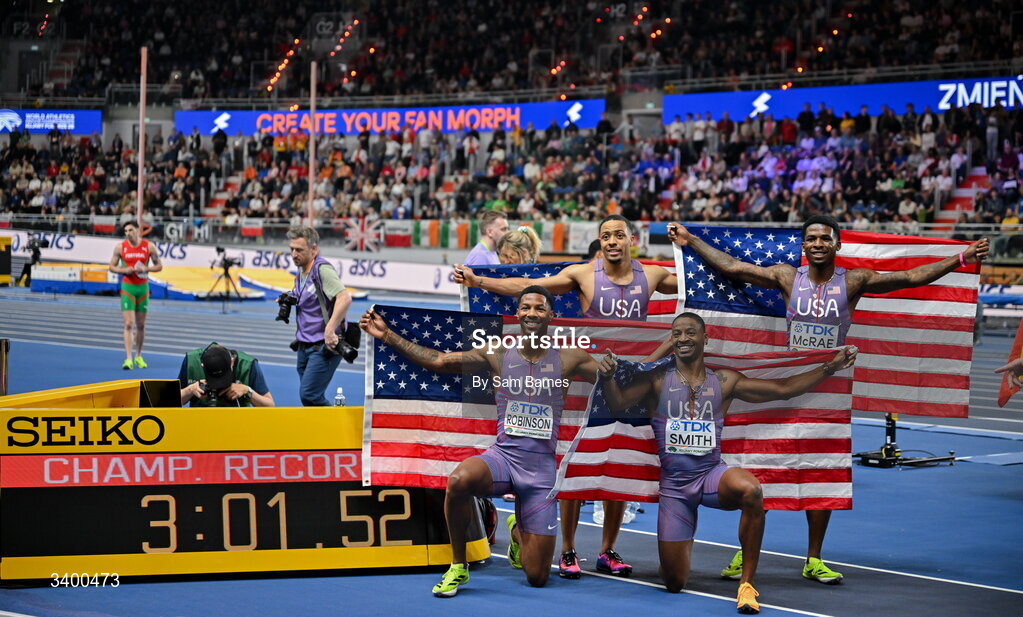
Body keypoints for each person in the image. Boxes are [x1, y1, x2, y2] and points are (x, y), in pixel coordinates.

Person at [667, 214, 989, 583]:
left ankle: (813, 558)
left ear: (837, 244)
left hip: (828, 389)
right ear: (803, 246)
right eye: (812, 239)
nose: (818, 244)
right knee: (764, 469)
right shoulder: (787, 277)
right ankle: (746, 553)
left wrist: (960, 259)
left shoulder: (854, 280)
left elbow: (912, 277)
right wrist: (691, 240)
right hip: (787, 384)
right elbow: (732, 266)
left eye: (825, 238)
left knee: (821, 470)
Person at [454, 214, 680, 578]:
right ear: (599, 241)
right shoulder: (583, 274)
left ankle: (608, 549)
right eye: (605, 235)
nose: (611, 241)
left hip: (625, 379)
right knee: (576, 462)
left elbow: (693, 284)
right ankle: (569, 550)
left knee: (617, 460)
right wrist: (477, 279)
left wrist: (694, 246)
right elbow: (529, 285)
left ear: (630, 239)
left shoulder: (651, 275)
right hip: (583, 378)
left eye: (618, 235)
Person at [600, 313, 858, 613]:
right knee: (674, 582)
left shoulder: (725, 380)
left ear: (705, 338)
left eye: (690, 333)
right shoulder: (656, 381)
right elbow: (617, 404)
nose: (683, 338)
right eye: (676, 333)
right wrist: (607, 378)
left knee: (751, 491)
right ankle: (678, 544)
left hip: (710, 475)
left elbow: (784, 389)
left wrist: (830, 367)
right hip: (674, 488)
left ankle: (747, 584)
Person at [361, 286, 600, 597]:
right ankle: (458, 566)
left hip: (540, 470)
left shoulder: (570, 358)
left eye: (539, 308)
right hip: (503, 458)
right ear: (517, 314)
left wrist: (665, 362)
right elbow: (440, 361)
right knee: (458, 480)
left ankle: (517, 530)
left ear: (551, 315)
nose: (531, 313)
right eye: (525, 307)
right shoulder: (498, 352)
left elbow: (618, 377)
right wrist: (387, 336)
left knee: (537, 577)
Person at [286, 226, 352, 406]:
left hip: (324, 346)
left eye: (299, 250)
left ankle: (335, 428)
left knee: (309, 395)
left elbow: (344, 298)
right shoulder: (301, 271)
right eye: (291, 249)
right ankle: (320, 431)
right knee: (310, 398)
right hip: (304, 345)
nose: (293, 254)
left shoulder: (322, 270)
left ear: (313, 249)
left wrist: (330, 330)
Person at [108, 221, 162, 370]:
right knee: (128, 324)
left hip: (143, 289)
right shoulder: (120, 247)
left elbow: (159, 265)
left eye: (130, 230)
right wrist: (123, 271)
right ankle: (128, 358)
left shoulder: (148, 246)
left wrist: (147, 268)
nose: (127, 233)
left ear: (138, 230)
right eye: (125, 231)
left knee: (141, 325)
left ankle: (138, 355)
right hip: (128, 288)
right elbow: (111, 266)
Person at [178, 343, 274, 407]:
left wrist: (247, 391)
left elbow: (270, 405)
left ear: (232, 363)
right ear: (202, 366)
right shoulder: (191, 361)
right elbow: (170, 403)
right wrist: (189, 390)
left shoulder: (248, 365)